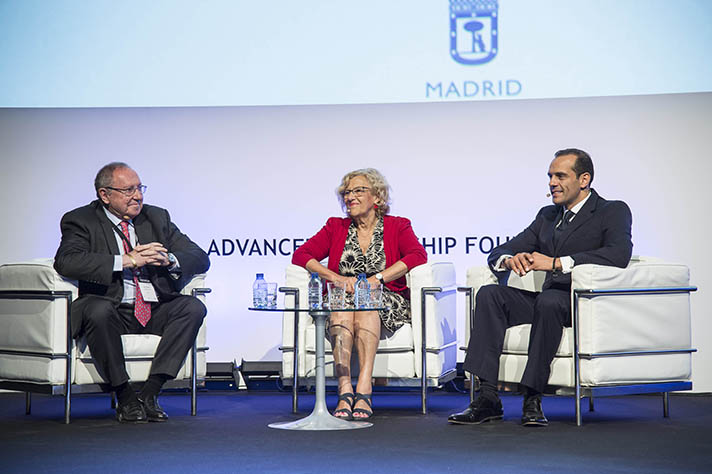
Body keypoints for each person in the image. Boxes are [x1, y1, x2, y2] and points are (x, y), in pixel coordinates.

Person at [448, 148, 632, 427]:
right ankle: (487, 398)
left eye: (560, 176)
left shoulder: (611, 210)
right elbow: (502, 249)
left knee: (548, 301)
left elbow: (619, 254)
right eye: (549, 176)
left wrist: (558, 263)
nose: (552, 182)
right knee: (491, 295)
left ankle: (532, 398)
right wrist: (510, 259)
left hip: (582, 304)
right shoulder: (547, 215)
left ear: (584, 179)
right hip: (548, 301)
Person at [54, 162, 210, 424]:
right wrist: (125, 261)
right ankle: (125, 396)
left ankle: (150, 393)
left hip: (153, 307)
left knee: (193, 307)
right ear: (105, 195)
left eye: (139, 188)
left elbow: (199, 257)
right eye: (128, 190)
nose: (137, 196)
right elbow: (67, 261)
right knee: (98, 309)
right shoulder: (81, 220)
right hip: (110, 306)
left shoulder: (156, 217)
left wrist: (168, 258)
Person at [292, 168, 427, 420]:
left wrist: (378, 279)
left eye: (357, 191)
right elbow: (302, 255)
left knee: (367, 302)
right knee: (341, 303)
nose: (349, 197)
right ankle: (345, 388)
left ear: (377, 197)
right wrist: (337, 279)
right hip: (341, 295)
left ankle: (364, 386)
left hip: (384, 296)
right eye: (346, 192)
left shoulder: (398, 225)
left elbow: (417, 255)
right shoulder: (336, 226)